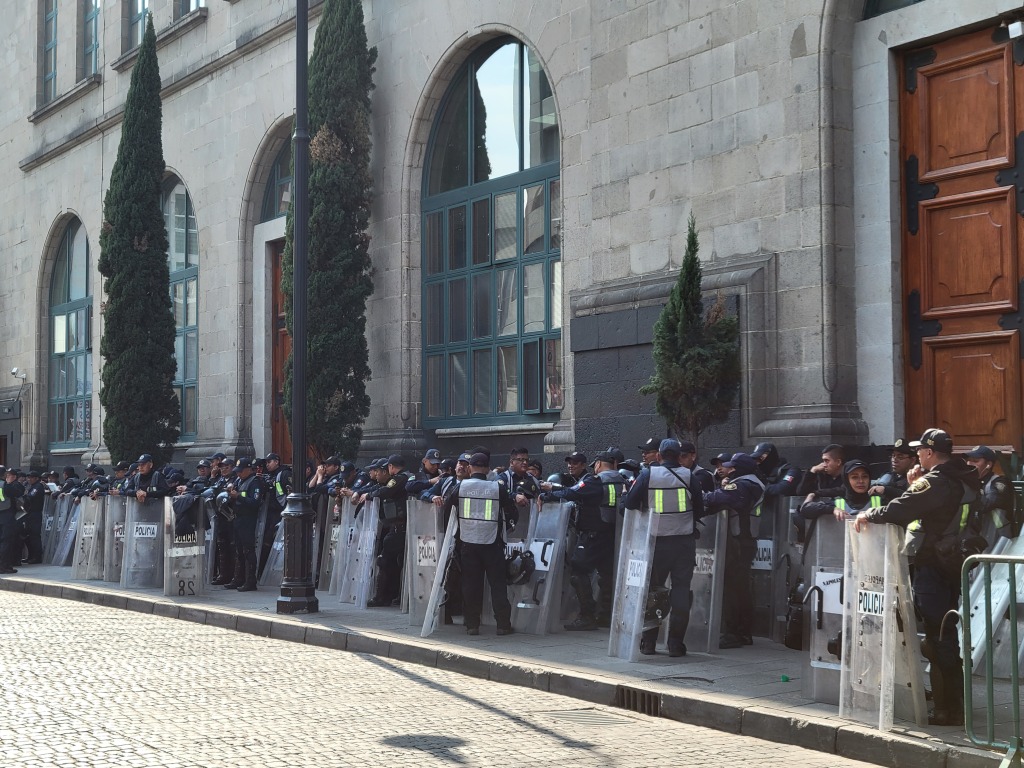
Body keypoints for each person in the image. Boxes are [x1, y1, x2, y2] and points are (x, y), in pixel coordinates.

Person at [851, 428, 980, 726]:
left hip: (933, 563)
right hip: (951, 561)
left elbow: (903, 509)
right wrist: (915, 485)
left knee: (937, 637)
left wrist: (869, 515)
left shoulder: (936, 480)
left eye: (921, 450)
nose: (918, 454)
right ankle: (954, 704)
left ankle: (949, 710)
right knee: (945, 632)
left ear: (931, 453)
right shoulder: (964, 476)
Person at [621, 438, 705, 657]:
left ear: (659, 455)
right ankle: (676, 645)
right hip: (683, 543)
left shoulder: (648, 474)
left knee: (653, 592)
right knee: (680, 592)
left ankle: (648, 643)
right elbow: (700, 508)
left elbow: (629, 504)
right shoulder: (689, 476)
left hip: (655, 543)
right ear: (679, 456)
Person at [441, 452, 517, 635]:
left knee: (470, 585)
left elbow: (446, 511)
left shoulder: (461, 487)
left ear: (470, 467)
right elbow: (512, 512)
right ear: (487, 468)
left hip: (468, 542)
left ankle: (472, 625)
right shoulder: (497, 488)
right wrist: (504, 531)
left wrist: (453, 535)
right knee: (498, 585)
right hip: (492, 543)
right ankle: (503, 625)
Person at [541, 451, 619, 630]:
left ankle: (587, 616)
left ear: (598, 464)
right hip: (611, 534)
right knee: (607, 575)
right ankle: (606, 615)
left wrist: (548, 492)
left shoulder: (595, 480)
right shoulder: (620, 480)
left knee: (577, 570)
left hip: (592, 535)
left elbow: (572, 492)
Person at [703, 452, 766, 650]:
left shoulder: (745, 484)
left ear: (739, 469)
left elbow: (720, 498)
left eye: (731, 467)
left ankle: (735, 633)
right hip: (743, 540)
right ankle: (741, 632)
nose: (727, 469)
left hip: (740, 541)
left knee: (734, 588)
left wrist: (703, 496)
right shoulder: (750, 482)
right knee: (739, 588)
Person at [366, 455, 412, 607]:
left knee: (384, 560)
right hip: (399, 527)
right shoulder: (405, 478)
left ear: (391, 466)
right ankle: (392, 595)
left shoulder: (400, 478)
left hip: (400, 528)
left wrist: (369, 495)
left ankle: (381, 597)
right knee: (394, 562)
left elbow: (385, 491)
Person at [225, 458, 267, 592]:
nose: (238, 474)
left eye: (241, 471)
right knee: (238, 550)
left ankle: (250, 581)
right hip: (237, 518)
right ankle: (239, 578)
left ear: (249, 469)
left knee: (248, 550)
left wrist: (238, 497)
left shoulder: (254, 482)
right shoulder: (239, 480)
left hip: (248, 519)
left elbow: (255, 502)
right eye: (237, 471)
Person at [964, 445, 1017, 543]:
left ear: (988, 464)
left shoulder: (1000, 482)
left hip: (998, 543)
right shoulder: (969, 483)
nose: (969, 464)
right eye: (968, 460)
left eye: (975, 461)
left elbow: (987, 503)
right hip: (972, 542)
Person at [0, 467, 26, 574]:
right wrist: (10, 483)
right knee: (6, 541)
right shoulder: (4, 485)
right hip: (6, 515)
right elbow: (18, 492)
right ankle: (4, 566)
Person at [20, 470, 46, 564]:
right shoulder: (31, 486)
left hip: (35, 514)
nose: (29, 479)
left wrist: (24, 496)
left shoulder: (38, 486)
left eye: (31, 477)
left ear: (36, 478)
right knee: (28, 536)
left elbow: (30, 497)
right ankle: (31, 556)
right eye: (28, 477)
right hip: (29, 513)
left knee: (34, 536)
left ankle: (37, 557)